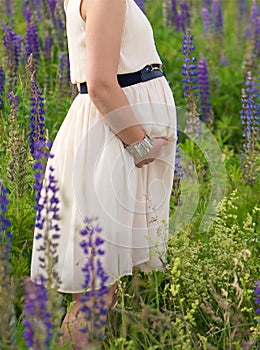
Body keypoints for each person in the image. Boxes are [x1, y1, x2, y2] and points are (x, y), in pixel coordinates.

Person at [30, 0, 177, 348]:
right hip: (113, 146)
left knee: (101, 291)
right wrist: (141, 146)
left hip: (112, 143)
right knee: (94, 296)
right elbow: (99, 85)